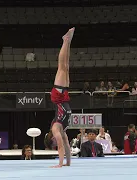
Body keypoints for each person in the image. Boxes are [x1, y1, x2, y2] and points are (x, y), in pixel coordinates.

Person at [50, 27, 75, 168]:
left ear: (51, 136)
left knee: (61, 67)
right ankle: (68, 42)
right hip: (64, 96)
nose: (56, 140)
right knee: (66, 66)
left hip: (58, 97)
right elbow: (66, 146)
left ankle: (65, 41)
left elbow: (60, 147)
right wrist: (68, 164)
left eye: (54, 140)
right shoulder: (63, 130)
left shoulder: (56, 128)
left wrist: (59, 164)